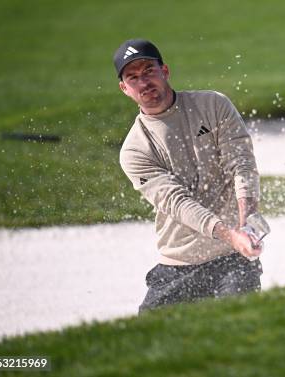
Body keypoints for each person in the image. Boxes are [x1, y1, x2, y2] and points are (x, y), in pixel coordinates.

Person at [113, 39, 264, 314]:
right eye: (133, 77)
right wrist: (232, 235)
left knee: (237, 325)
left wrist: (248, 225)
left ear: (165, 71)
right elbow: (178, 203)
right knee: (149, 340)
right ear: (124, 89)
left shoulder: (212, 105)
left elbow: (241, 164)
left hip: (233, 259)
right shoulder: (135, 150)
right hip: (177, 264)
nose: (144, 82)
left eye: (149, 71)